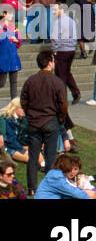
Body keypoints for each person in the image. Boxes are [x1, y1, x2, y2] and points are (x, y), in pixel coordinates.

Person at [19, 50, 67, 194]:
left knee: (33, 157)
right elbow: (63, 104)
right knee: (51, 156)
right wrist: (60, 119)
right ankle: (48, 188)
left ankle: (32, 188)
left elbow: (23, 101)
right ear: (49, 62)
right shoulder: (57, 82)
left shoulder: (30, 81)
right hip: (51, 121)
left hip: (34, 122)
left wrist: (30, 115)